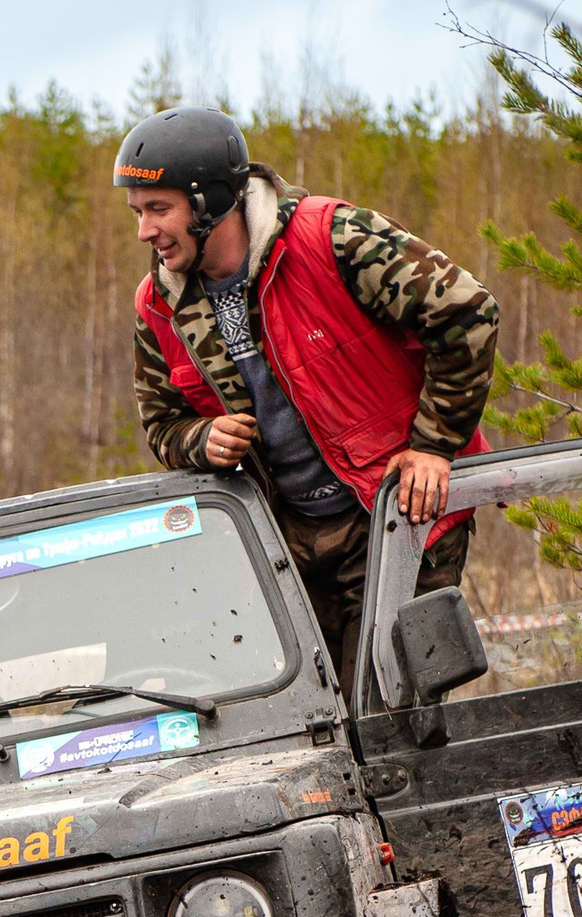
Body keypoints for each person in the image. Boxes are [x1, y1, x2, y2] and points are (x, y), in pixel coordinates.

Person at [119, 106, 500, 685]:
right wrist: (202, 440)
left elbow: (467, 311)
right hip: (285, 542)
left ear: (208, 202)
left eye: (158, 209)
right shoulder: (157, 304)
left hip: (395, 514)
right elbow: (162, 426)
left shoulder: (333, 237)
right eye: (138, 213)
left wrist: (433, 445)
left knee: (387, 714)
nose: (145, 231)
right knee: (305, 716)